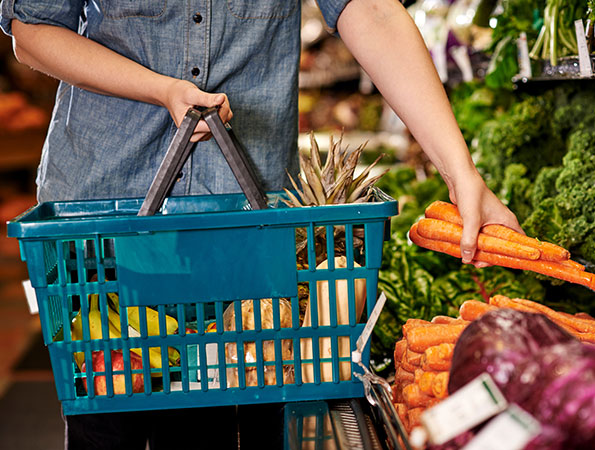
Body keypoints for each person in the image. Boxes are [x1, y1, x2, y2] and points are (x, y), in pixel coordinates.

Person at [1, 0, 522, 448]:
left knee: (226, 424)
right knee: (108, 426)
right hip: (101, 222)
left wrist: (461, 172)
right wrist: (159, 90)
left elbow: (373, 11)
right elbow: (32, 31)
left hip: (242, 224)